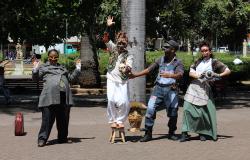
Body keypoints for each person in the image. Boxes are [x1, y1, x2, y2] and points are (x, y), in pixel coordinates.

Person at [130, 39, 184, 142]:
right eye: (164, 47)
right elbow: (149, 69)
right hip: (158, 89)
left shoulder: (178, 62)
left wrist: (170, 75)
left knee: (173, 111)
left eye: (167, 47)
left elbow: (180, 74)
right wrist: (135, 75)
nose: (164, 48)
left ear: (173, 50)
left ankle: (171, 133)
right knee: (150, 109)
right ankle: (148, 133)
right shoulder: (161, 59)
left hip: (171, 90)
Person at [179, 41, 231, 142]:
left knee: (205, 113)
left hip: (206, 90)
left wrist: (218, 75)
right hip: (194, 88)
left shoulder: (214, 62)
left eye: (206, 50)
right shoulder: (197, 61)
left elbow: (228, 71)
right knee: (186, 109)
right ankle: (184, 133)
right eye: (202, 51)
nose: (204, 52)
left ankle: (203, 133)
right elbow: (190, 72)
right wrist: (199, 75)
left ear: (210, 51)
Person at [32, 49, 81, 147]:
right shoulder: (44, 67)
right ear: (48, 57)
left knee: (63, 119)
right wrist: (35, 70)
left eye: (55, 57)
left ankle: (62, 138)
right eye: (51, 57)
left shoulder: (63, 68)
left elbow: (70, 78)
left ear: (58, 57)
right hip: (49, 96)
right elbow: (36, 78)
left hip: (63, 96)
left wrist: (77, 69)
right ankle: (42, 139)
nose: (53, 59)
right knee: (47, 120)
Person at [102, 16, 133, 129]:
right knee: (111, 100)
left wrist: (127, 69)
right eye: (119, 43)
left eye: (123, 44)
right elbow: (105, 39)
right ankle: (113, 120)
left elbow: (129, 66)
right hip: (111, 78)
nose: (120, 45)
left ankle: (120, 120)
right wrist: (108, 27)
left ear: (126, 44)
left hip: (123, 81)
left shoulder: (129, 55)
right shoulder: (112, 48)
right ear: (117, 42)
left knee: (124, 102)